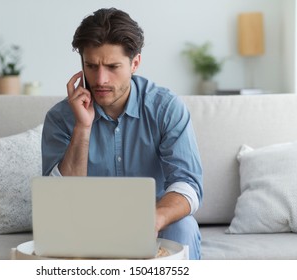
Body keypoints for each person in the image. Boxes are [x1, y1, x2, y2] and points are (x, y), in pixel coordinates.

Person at [41, 8, 203, 259]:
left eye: (112, 66)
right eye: (91, 66)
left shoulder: (166, 108)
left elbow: (188, 185)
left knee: (184, 226)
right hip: (85, 227)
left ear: (135, 63)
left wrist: (153, 219)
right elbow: (59, 202)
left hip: (154, 223)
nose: (100, 79)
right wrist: (82, 128)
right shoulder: (61, 117)